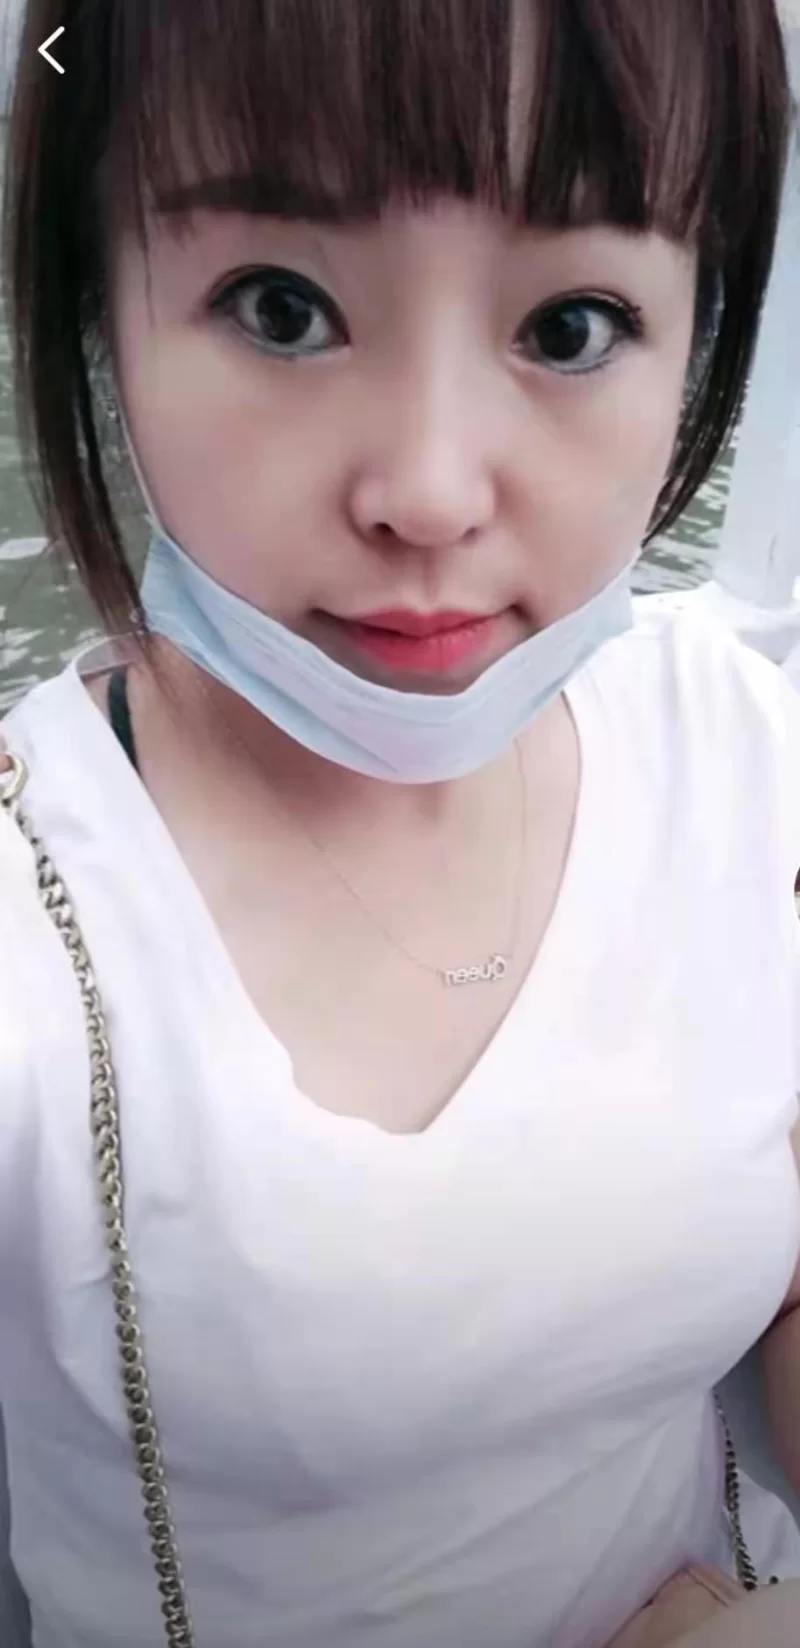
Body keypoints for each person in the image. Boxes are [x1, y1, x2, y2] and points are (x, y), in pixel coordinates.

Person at [1, 0, 800, 1644]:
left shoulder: (737, 750)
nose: (430, 491)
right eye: (282, 307)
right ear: (98, 302)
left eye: (572, 326)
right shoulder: (36, 938)